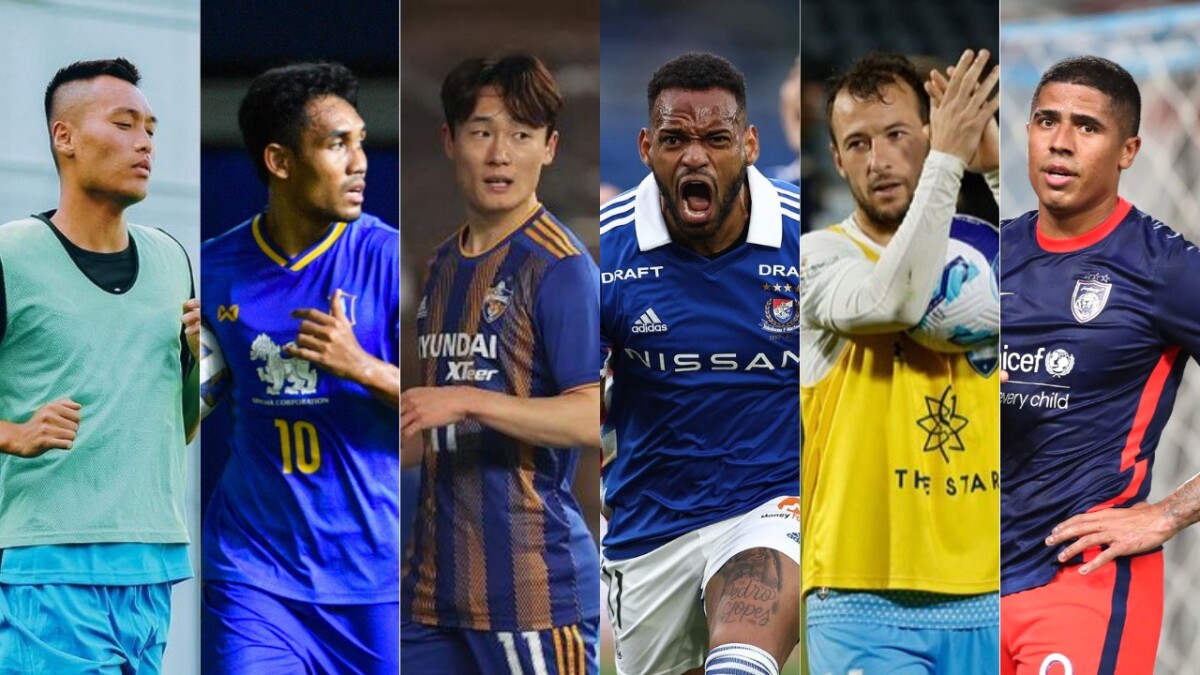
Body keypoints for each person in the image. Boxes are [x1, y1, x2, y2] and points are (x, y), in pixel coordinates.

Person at [799, 50, 1001, 673]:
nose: (878, 160)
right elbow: (894, 298)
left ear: (930, 133)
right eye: (856, 143)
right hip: (859, 598)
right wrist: (947, 162)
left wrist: (995, 173)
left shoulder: (990, 250)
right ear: (836, 160)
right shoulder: (813, 259)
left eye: (895, 136)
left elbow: (1054, 285)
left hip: (995, 587)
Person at [400, 54, 602, 674]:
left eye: (521, 135)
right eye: (482, 131)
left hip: (530, 590)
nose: (499, 154)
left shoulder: (562, 269)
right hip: (432, 590)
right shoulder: (439, 266)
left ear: (549, 147)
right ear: (449, 140)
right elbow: (432, 423)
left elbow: (594, 417)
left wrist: (466, 399)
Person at [599, 51, 800, 675]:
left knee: (740, 664)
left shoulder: (806, 238)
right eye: (674, 139)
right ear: (644, 147)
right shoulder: (600, 253)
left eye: (716, 139)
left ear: (750, 144)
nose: (695, 156)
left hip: (771, 506)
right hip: (649, 528)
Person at [1000, 55, 1200, 675]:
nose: (1060, 143)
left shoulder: (1165, 269)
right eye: (1046, 121)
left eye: (1087, 127)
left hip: (1083, 580)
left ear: (1128, 149)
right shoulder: (986, 254)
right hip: (967, 585)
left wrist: (1169, 512)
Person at [199, 62, 400, 673]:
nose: (359, 161)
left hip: (374, 578)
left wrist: (362, 366)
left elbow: (459, 400)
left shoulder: (391, 259)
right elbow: (191, 403)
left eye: (361, 141)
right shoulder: (213, 271)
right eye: (338, 143)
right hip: (254, 573)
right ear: (280, 162)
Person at [0, 57, 198, 673]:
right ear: (65, 138)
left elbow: (182, 424)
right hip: (48, 566)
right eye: (124, 123)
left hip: (154, 566)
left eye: (151, 128)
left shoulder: (173, 259)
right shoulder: (11, 255)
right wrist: (13, 434)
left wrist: (199, 363)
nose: (144, 142)